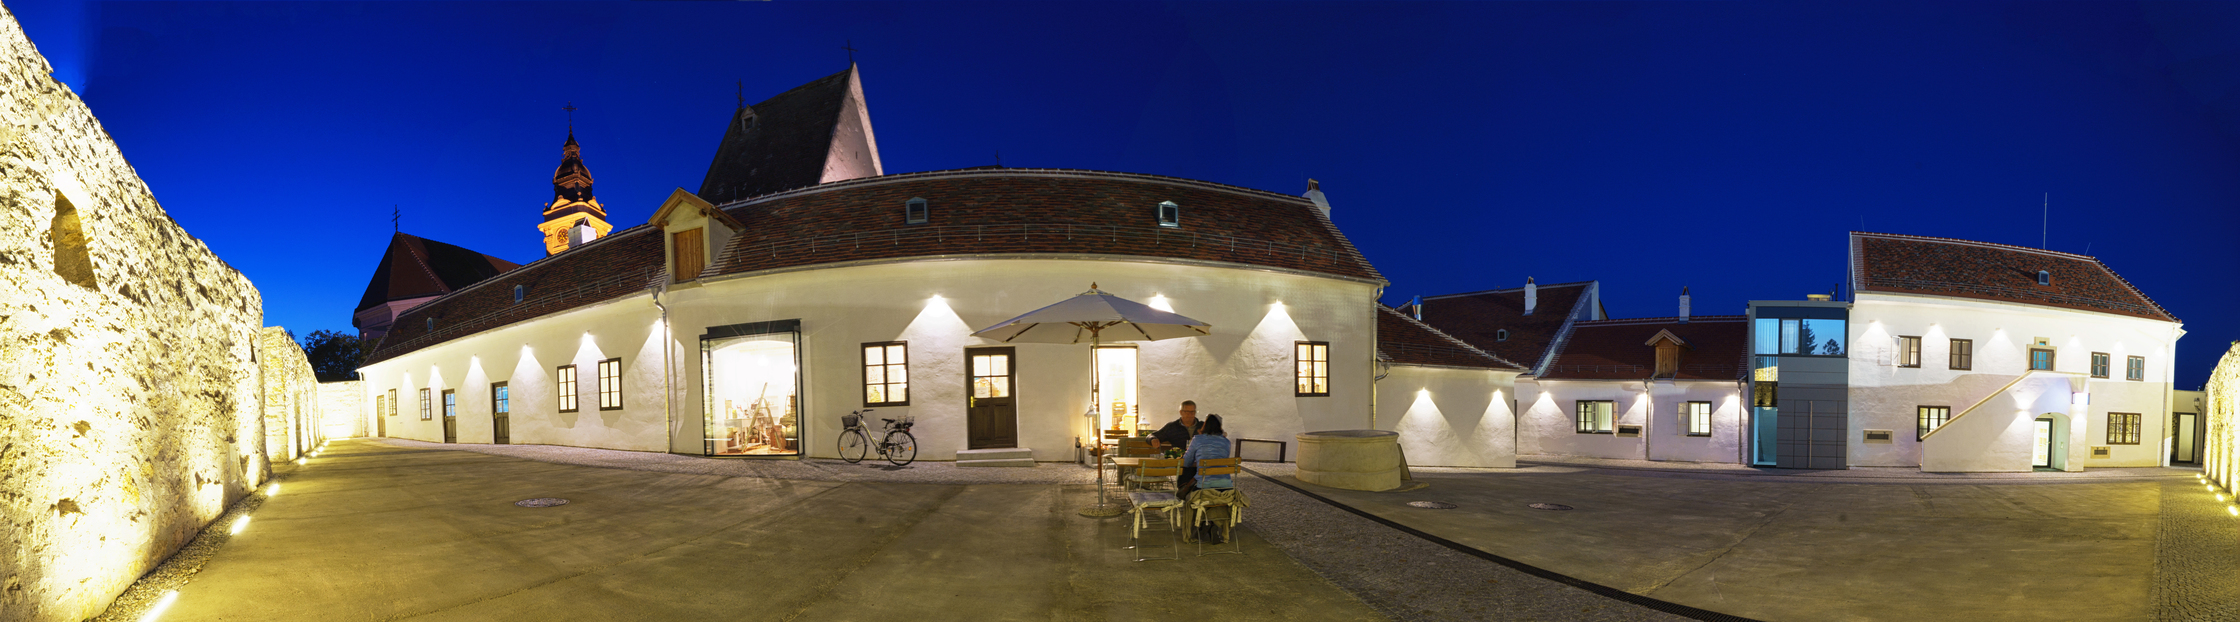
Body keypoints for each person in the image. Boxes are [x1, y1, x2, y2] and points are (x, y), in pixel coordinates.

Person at [1179, 414, 1234, 544]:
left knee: (1190, 495)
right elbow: (1221, 460)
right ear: (1220, 427)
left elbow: (1186, 462)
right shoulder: (1226, 442)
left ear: (1204, 426)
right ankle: (1211, 524)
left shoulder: (1198, 439)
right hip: (1226, 487)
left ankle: (1201, 525)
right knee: (1211, 493)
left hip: (1204, 486)